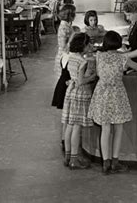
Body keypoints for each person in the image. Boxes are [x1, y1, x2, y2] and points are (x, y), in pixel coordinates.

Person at [88, 31, 137, 174]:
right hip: (117, 94)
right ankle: (115, 161)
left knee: (105, 129)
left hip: (102, 93)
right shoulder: (122, 58)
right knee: (118, 128)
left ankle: (105, 162)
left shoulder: (99, 56)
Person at [62, 33, 97, 170]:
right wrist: (93, 76)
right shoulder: (83, 62)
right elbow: (81, 81)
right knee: (77, 126)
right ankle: (75, 159)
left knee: (70, 125)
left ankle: (68, 155)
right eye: (88, 44)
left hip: (71, 92)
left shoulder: (71, 57)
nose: (90, 46)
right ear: (83, 45)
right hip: (81, 93)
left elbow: (74, 78)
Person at [53, 4, 80, 150]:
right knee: (65, 94)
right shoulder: (64, 27)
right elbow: (64, 46)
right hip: (64, 58)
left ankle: (65, 136)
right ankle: (65, 138)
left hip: (65, 57)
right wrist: (74, 36)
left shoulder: (67, 25)